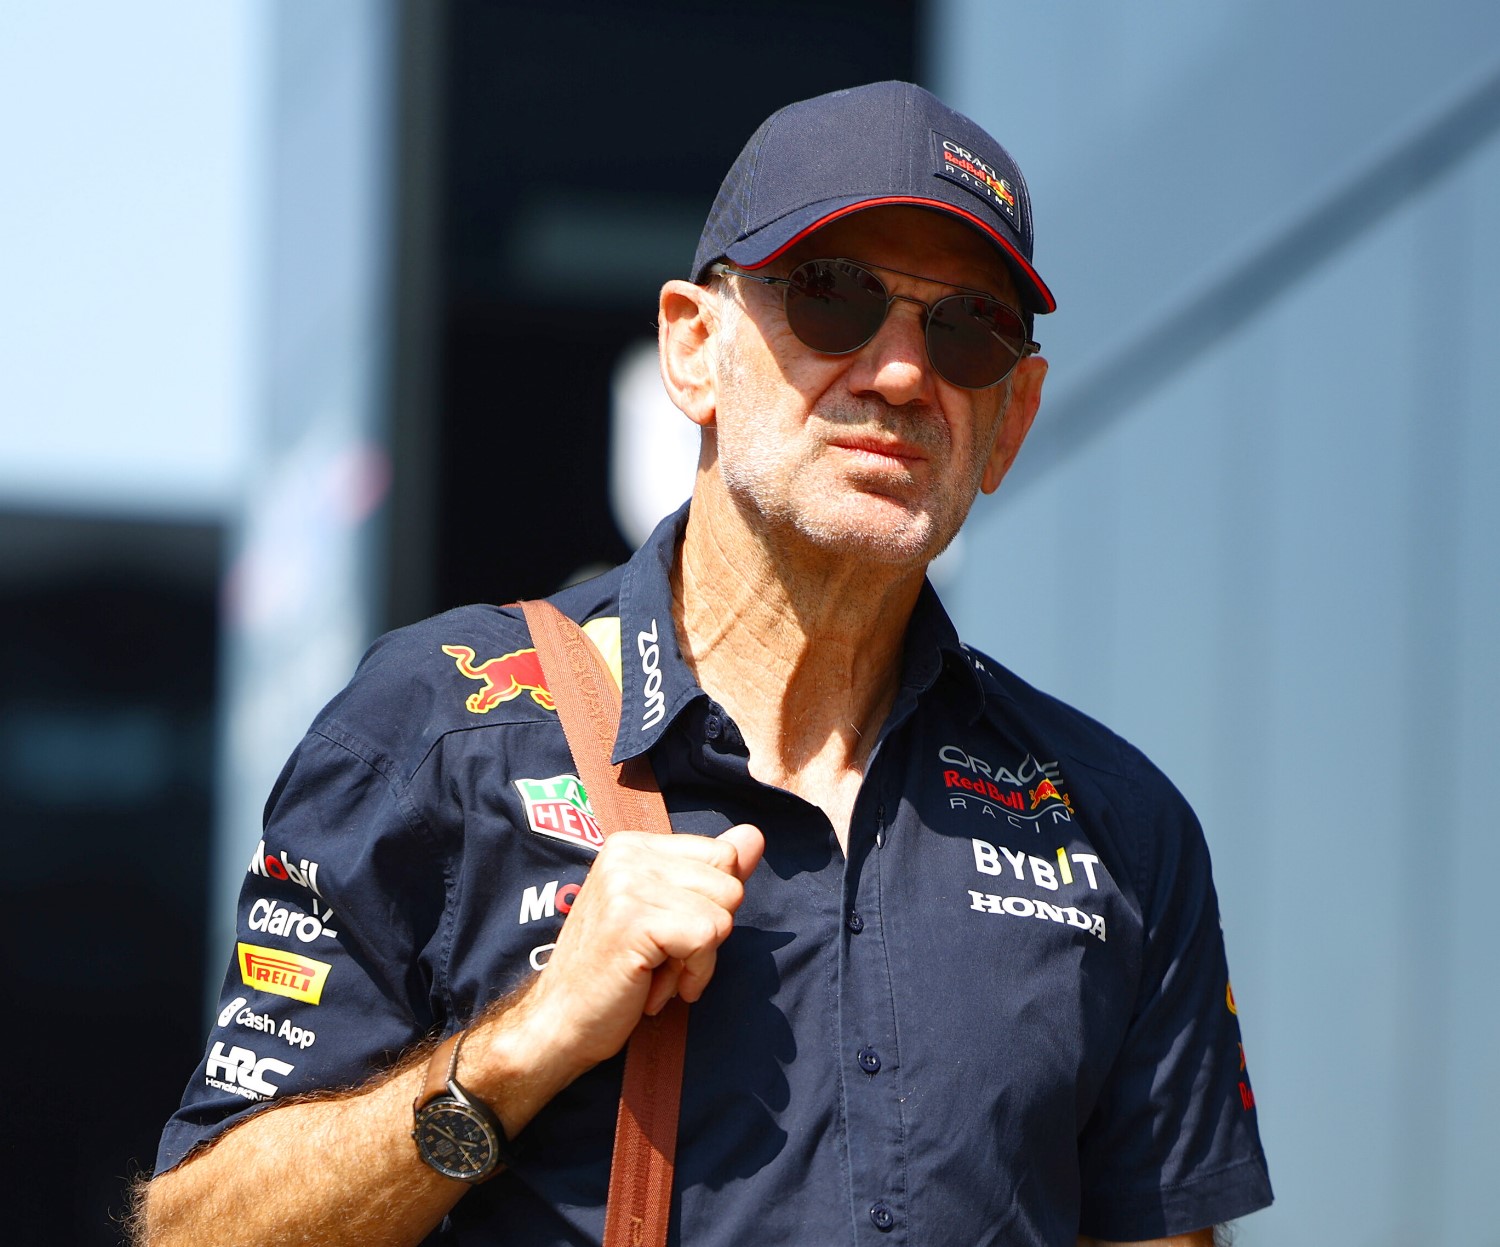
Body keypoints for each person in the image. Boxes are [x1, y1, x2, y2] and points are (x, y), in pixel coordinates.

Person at [137, 80, 1272, 1246]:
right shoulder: (437, 726)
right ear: (694, 346)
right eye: (835, 297)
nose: (899, 374)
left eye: (965, 328)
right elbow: (192, 1232)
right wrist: (516, 1051)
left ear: (1014, 417)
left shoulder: (1119, 831)